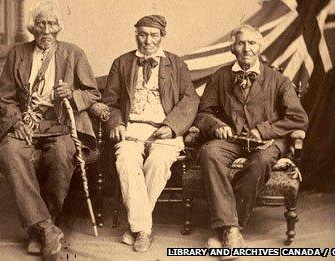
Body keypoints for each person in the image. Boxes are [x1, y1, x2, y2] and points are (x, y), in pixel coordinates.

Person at [0, 1, 100, 259]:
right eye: (41, 24)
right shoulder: (17, 54)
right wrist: (16, 122)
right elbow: (5, 97)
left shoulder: (73, 53)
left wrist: (72, 94)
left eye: (51, 24)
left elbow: (93, 93)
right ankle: (48, 230)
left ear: (58, 28)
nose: (46, 30)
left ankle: (38, 230)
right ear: (33, 28)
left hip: (61, 124)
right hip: (27, 125)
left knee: (62, 156)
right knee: (8, 152)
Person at [195, 24, 308, 250]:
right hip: (232, 140)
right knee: (209, 152)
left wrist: (263, 130)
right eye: (241, 43)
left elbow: (299, 118)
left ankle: (224, 227)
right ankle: (232, 230)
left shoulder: (278, 80)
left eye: (252, 43)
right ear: (232, 48)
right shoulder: (220, 77)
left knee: (262, 161)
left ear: (260, 46)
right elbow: (203, 114)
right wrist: (216, 125)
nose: (247, 48)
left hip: (267, 141)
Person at [102, 15, 199, 252]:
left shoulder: (176, 64)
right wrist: (116, 123)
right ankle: (144, 229)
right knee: (125, 160)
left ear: (162, 37)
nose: (147, 40)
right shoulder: (121, 63)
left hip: (164, 129)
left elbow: (190, 99)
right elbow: (110, 101)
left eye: (153, 35)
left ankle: (135, 227)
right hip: (132, 127)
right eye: (143, 34)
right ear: (136, 35)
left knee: (158, 162)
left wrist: (172, 126)